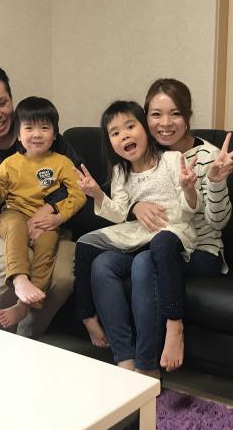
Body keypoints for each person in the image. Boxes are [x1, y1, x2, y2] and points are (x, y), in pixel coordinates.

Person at [91, 78, 233, 372]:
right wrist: (135, 207)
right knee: (103, 263)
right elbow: (128, 198)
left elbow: (217, 223)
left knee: (145, 262)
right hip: (151, 241)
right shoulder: (142, 151)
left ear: (187, 117)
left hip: (199, 249)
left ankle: (148, 364)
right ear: (144, 118)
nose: (165, 123)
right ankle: (124, 359)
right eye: (156, 114)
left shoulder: (208, 157)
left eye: (175, 113)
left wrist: (215, 182)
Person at [0, 60, 81, 338]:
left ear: (11, 99)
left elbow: (79, 185)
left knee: (63, 278)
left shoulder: (50, 140)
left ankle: (25, 341)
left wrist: (49, 209)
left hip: (52, 226)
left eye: (2, 103)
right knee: (10, 265)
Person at [73, 100, 200, 378]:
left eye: (131, 126)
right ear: (110, 142)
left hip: (171, 232)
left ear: (145, 128)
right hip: (139, 235)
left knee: (151, 254)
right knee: (98, 259)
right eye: (115, 132)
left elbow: (189, 209)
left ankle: (151, 359)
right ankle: (124, 359)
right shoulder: (121, 171)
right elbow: (119, 213)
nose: (125, 135)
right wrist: (97, 194)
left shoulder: (170, 160)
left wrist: (189, 189)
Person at [0, 96, 86, 328]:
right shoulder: (9, 164)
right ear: (18, 134)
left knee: (48, 243)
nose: (37, 134)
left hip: (46, 219)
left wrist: (58, 217)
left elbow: (78, 194)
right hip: (13, 213)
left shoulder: (62, 162)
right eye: (29, 128)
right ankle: (19, 279)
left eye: (44, 128)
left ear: (54, 135)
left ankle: (24, 305)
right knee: (16, 227)